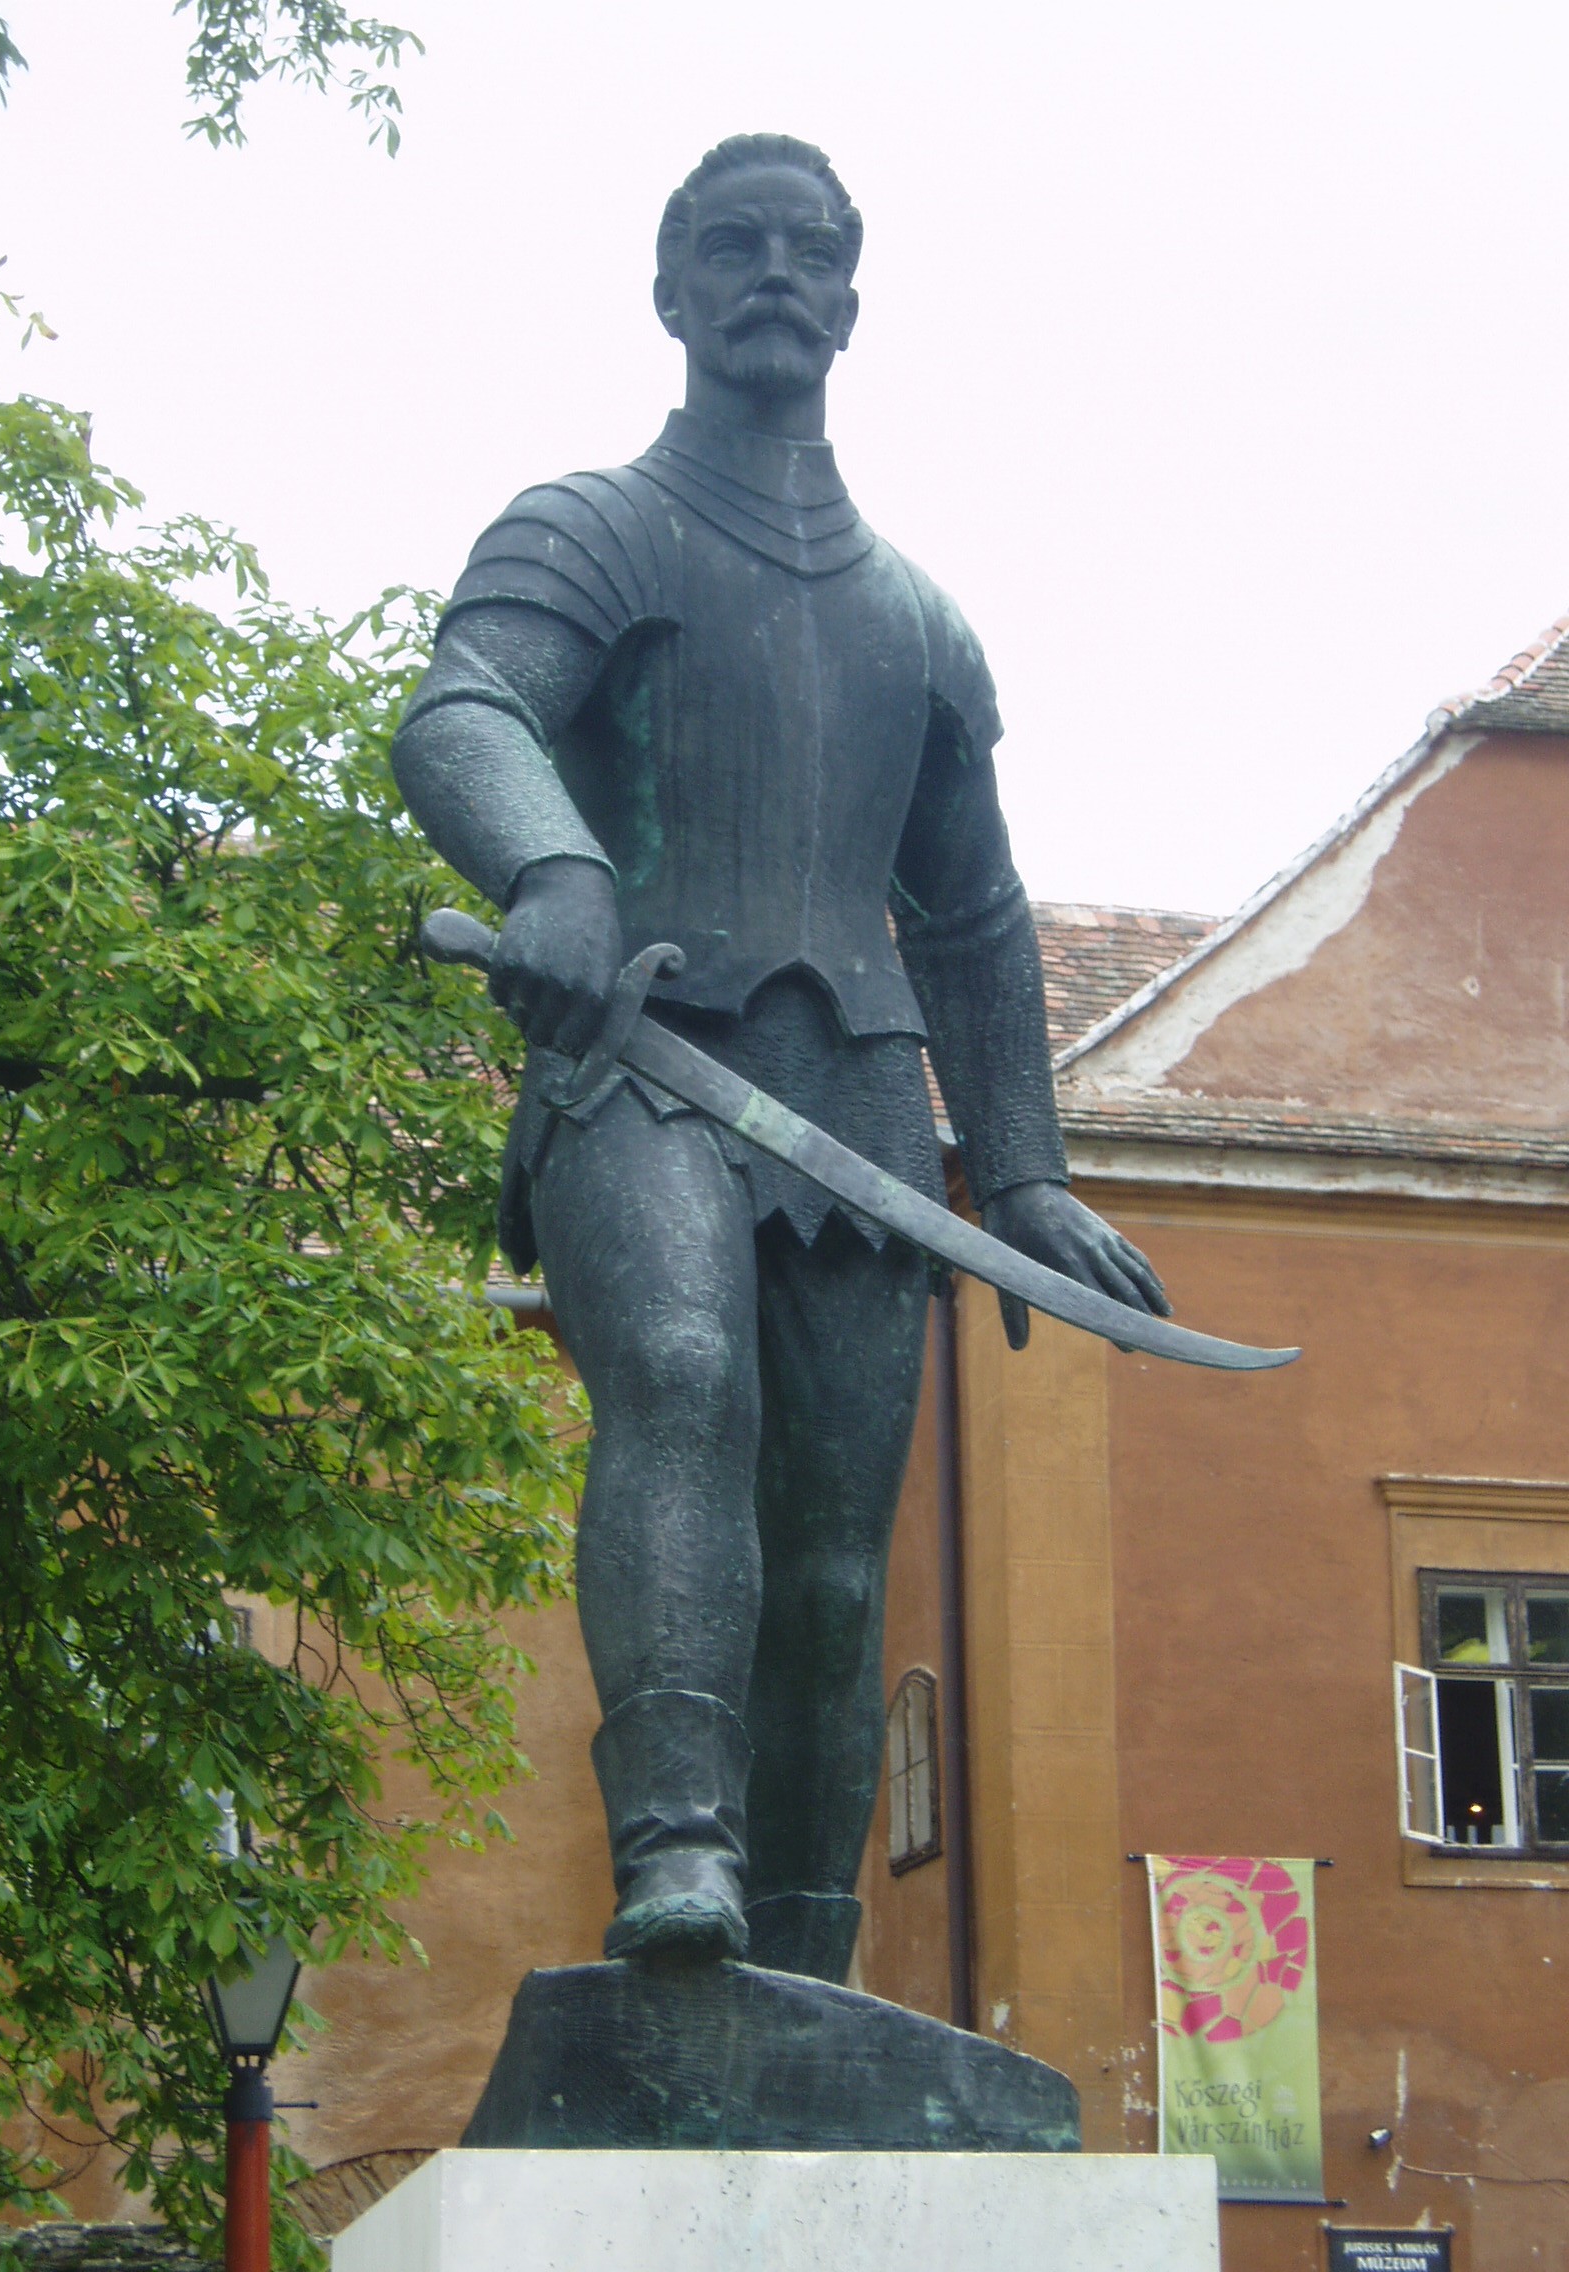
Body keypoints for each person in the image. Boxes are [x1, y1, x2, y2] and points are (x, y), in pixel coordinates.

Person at [392, 133, 1168, 1986]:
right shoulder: (592, 527)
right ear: (671, 291)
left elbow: (973, 913)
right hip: (643, 1052)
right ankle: (678, 1847)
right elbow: (466, 712)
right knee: (679, 1378)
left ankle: (811, 1964)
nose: (773, 275)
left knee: (833, 1547)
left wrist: (1025, 1172)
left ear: (850, 302)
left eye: (808, 251)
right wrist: (557, 869)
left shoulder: (921, 620)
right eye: (734, 247)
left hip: (864, 1107)